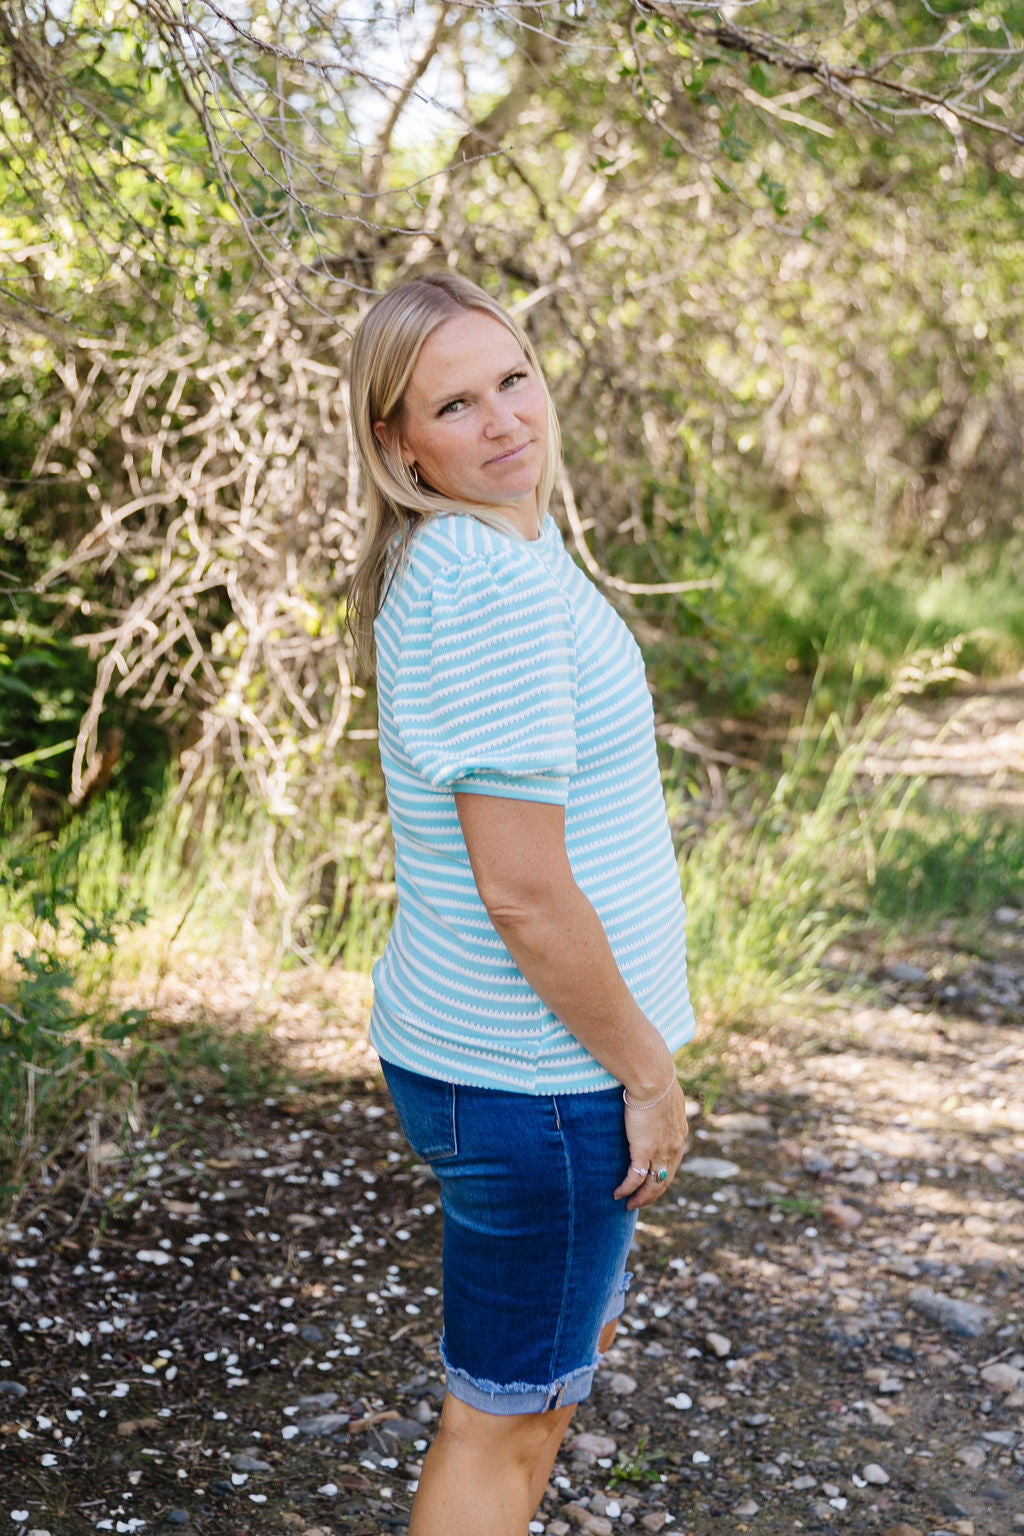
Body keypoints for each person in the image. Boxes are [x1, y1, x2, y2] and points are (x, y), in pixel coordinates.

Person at [347, 271, 695, 1536]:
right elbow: (525, 891)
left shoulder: (486, 554)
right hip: (538, 1082)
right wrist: (645, 1074)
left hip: (499, 1066)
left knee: (528, 1395)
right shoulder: (487, 586)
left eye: (513, 379)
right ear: (398, 441)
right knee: (505, 1424)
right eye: (455, 403)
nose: (503, 420)